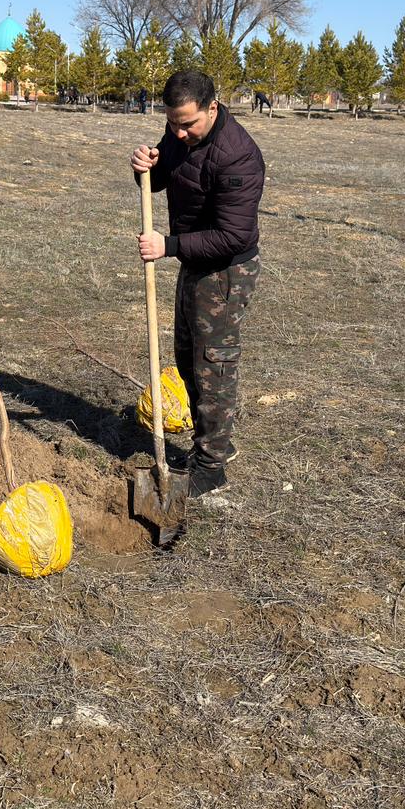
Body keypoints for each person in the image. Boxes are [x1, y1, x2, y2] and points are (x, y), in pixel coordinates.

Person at [132, 70, 265, 497]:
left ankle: (212, 465)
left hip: (226, 271)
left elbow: (235, 235)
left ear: (213, 107)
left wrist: (167, 245)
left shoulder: (238, 156)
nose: (179, 132)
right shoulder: (180, 134)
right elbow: (165, 175)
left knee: (214, 365)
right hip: (194, 257)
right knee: (187, 357)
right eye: (172, 123)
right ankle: (210, 439)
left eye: (188, 124)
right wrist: (144, 168)